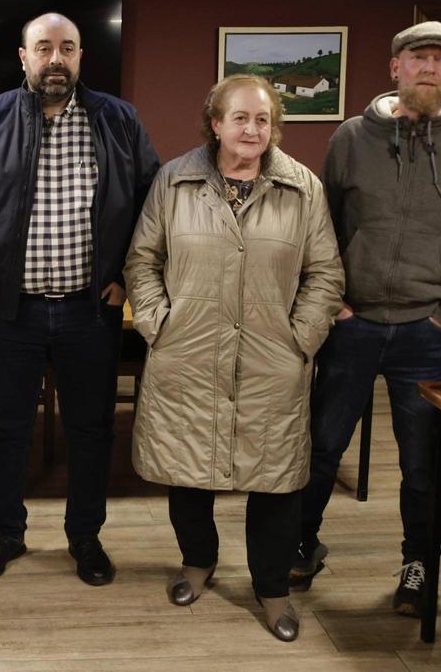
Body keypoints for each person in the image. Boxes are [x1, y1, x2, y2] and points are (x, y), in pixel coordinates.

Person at [0, 12, 161, 586]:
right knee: (5, 427)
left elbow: (152, 205)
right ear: (24, 57)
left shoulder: (118, 119)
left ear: (81, 55)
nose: (56, 58)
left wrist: (133, 277)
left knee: (92, 429)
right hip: (9, 309)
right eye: (44, 48)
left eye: (67, 47)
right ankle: (6, 534)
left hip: (91, 310)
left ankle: (85, 537)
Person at [124, 74, 344, 641]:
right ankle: (197, 563)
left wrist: (301, 338)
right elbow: (142, 260)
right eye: (240, 118)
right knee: (187, 470)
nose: (252, 129)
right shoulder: (173, 181)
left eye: (263, 119)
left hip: (274, 358)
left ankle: (272, 589)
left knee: (274, 481)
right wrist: (157, 322)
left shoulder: (304, 189)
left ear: (274, 128)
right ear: (216, 123)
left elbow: (325, 273)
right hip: (188, 353)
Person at [294, 21, 441, 617]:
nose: (429, 68)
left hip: (426, 334)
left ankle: (419, 565)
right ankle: (302, 543)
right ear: (395, 67)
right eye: (418, 58)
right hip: (352, 325)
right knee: (321, 447)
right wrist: (333, 300)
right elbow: (323, 228)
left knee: (421, 464)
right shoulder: (352, 137)